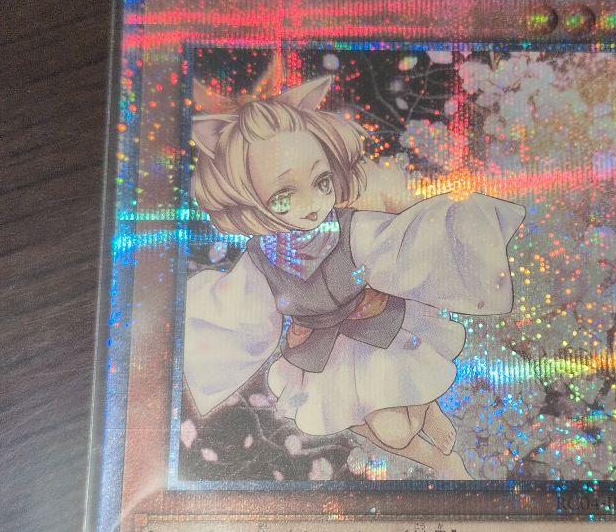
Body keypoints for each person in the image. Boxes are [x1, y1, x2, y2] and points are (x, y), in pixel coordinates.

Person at [183, 75, 524, 480]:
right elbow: (237, 317)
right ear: (248, 202)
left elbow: (406, 247)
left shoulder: (351, 228)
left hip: (379, 326)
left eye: (322, 182)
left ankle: (428, 407)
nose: (312, 204)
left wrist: (463, 226)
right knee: (372, 425)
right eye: (283, 197)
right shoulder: (259, 261)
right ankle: (440, 461)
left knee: (399, 417)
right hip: (323, 352)